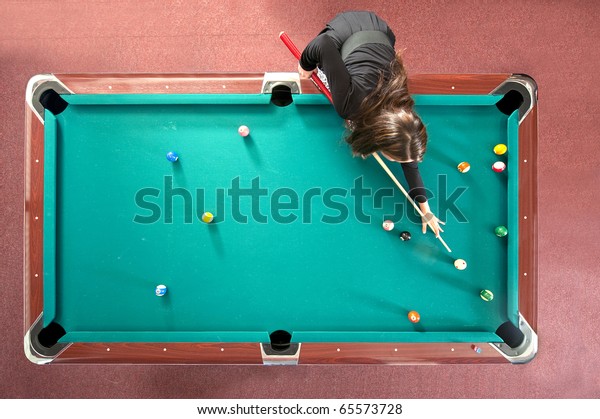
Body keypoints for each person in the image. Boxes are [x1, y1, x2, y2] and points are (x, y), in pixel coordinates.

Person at [298, 11, 444, 236]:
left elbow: (410, 164)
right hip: (348, 30)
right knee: (326, 75)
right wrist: (305, 64)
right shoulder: (349, 105)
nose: (404, 162)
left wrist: (425, 209)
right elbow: (323, 43)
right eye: (397, 158)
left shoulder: (403, 114)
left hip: (382, 32)